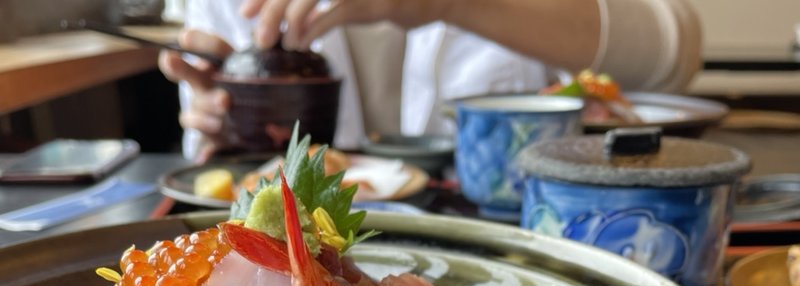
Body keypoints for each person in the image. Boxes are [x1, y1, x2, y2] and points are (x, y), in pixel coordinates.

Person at [160, 0, 703, 160]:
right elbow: (207, 149)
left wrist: (449, 4)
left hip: (503, 246)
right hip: (300, 253)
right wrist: (220, 121)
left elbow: (673, 51)